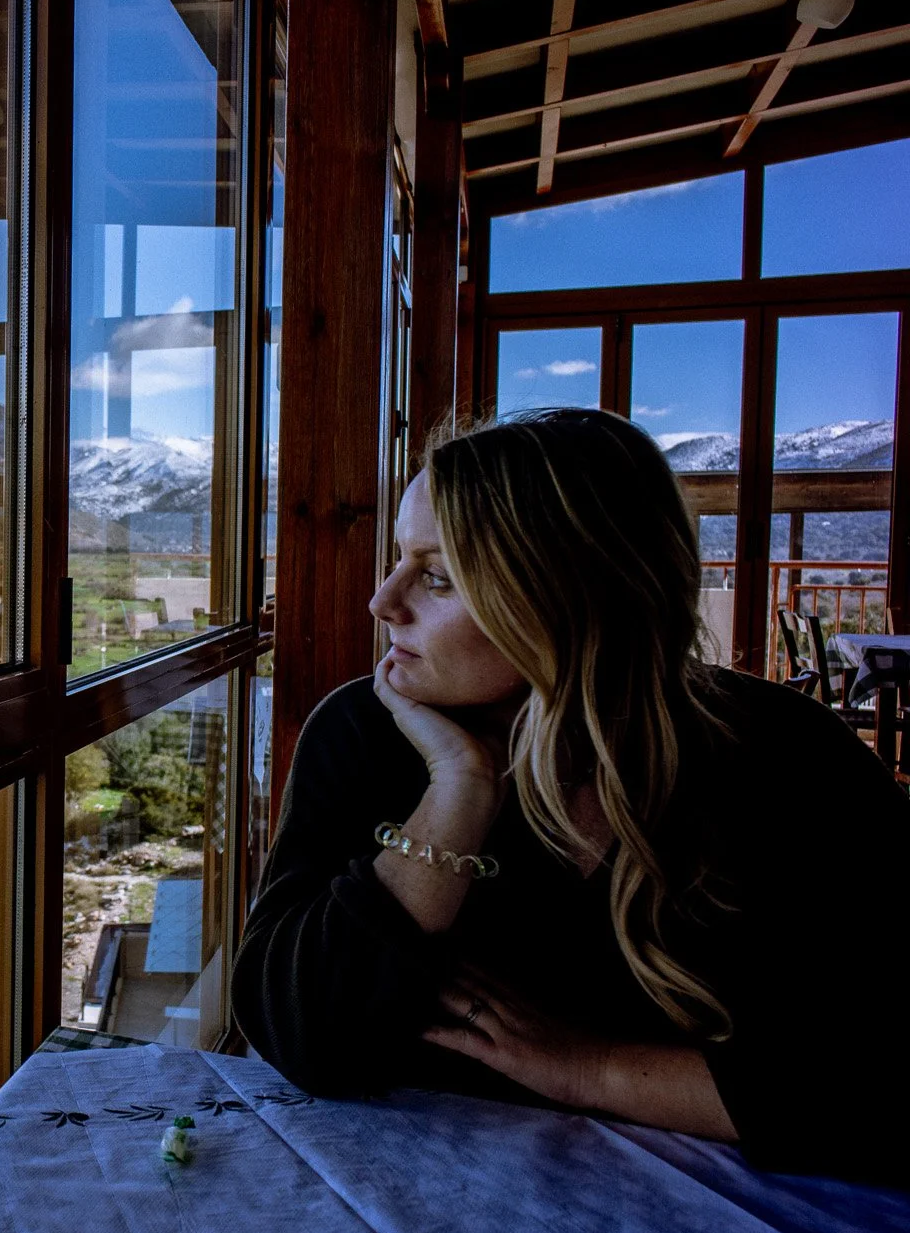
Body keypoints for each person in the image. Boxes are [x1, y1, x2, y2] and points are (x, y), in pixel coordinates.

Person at [229, 408, 910, 1187]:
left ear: (569, 596)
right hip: (410, 1198)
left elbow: (879, 1080)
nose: (383, 600)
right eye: (399, 560)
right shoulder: (363, 735)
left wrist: (591, 1068)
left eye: (437, 575)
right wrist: (458, 793)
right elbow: (297, 1032)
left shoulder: (784, 759)